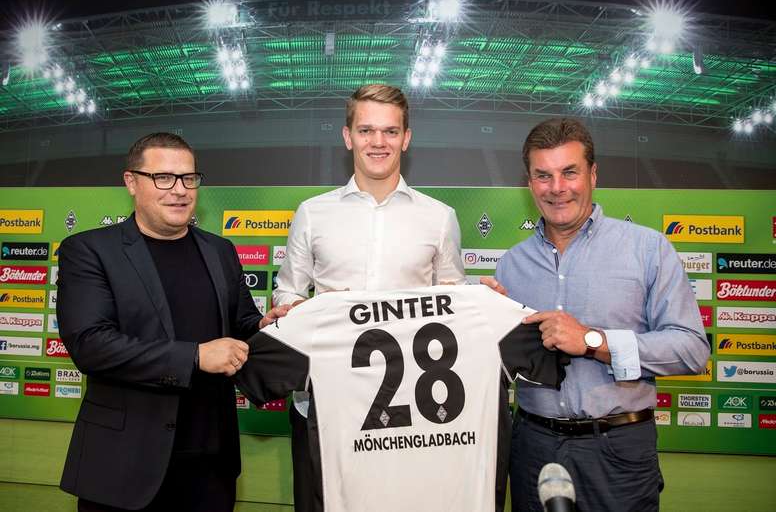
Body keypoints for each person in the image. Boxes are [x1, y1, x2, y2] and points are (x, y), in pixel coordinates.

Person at [57, 132, 286, 512]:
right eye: (163, 178)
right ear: (131, 182)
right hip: (124, 466)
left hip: (210, 464)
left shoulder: (220, 250)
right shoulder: (89, 250)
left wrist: (268, 326)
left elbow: (242, 324)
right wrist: (194, 357)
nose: (179, 190)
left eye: (188, 178)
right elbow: (91, 345)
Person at [495, 118, 710, 512]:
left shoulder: (647, 249)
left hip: (618, 449)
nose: (557, 187)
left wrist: (594, 341)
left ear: (593, 174)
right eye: (543, 175)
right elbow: (500, 366)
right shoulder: (511, 265)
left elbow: (692, 349)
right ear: (529, 183)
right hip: (532, 447)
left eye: (569, 172)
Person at [273, 84, 467, 512]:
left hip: (411, 416)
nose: (378, 142)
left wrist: (477, 299)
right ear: (348, 137)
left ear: (406, 138)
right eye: (366, 130)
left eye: (390, 131)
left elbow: (453, 306)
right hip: (324, 404)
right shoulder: (312, 213)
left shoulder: (439, 218)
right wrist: (297, 310)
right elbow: (287, 291)